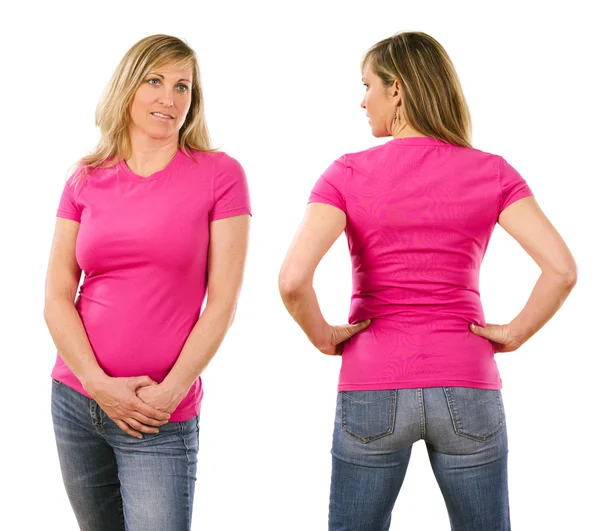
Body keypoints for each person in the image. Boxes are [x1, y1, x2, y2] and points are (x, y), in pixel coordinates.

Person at [279, 31, 576, 531]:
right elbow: (562, 269)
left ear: (397, 90)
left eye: (368, 84)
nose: (362, 99)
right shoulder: (492, 172)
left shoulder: (346, 173)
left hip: (372, 380)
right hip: (467, 378)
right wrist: (515, 331)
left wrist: (323, 335)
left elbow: (292, 280)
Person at [44, 34, 251, 531]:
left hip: (160, 414)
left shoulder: (221, 175)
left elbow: (222, 303)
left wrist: (170, 394)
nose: (170, 98)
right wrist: (97, 384)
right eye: (155, 81)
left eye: (183, 86)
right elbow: (55, 295)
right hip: (76, 401)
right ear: (128, 88)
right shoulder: (85, 178)